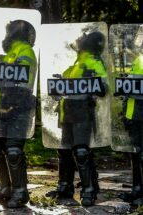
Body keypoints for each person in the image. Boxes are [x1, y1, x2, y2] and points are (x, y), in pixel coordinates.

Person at [48, 31, 107, 206]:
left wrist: (95, 81)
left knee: (81, 152)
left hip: (83, 114)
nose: (79, 40)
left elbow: (103, 87)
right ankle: (65, 186)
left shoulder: (94, 62)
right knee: (64, 150)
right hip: (68, 113)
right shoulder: (77, 63)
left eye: (83, 38)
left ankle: (88, 190)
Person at [0, 20, 37, 208]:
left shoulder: (25, 52)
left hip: (19, 108)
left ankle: (20, 191)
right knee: (0, 150)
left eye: (8, 31)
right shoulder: (9, 55)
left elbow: (21, 80)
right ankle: (5, 187)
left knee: (14, 151)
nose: (6, 35)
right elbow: (0, 85)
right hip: (3, 108)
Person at [119, 45, 143, 205]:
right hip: (134, 115)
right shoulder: (139, 60)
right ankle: (137, 190)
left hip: (140, 115)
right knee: (136, 154)